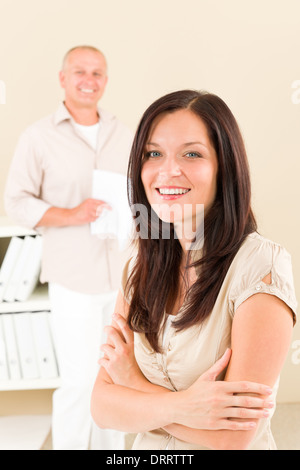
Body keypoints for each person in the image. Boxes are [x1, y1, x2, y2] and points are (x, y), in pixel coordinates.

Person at [90, 89, 297, 450]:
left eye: (192, 153)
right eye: (153, 153)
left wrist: (135, 386)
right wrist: (186, 407)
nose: (168, 170)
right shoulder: (138, 267)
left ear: (224, 168)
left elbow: (232, 439)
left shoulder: (260, 267)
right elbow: (102, 407)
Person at [4, 46, 133, 450]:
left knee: (115, 378)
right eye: (80, 71)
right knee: (78, 379)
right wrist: (71, 213)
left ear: (106, 81)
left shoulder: (125, 131)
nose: (89, 80)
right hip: (72, 278)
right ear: (63, 78)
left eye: (97, 73)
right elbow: (17, 203)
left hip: (122, 278)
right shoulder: (38, 136)